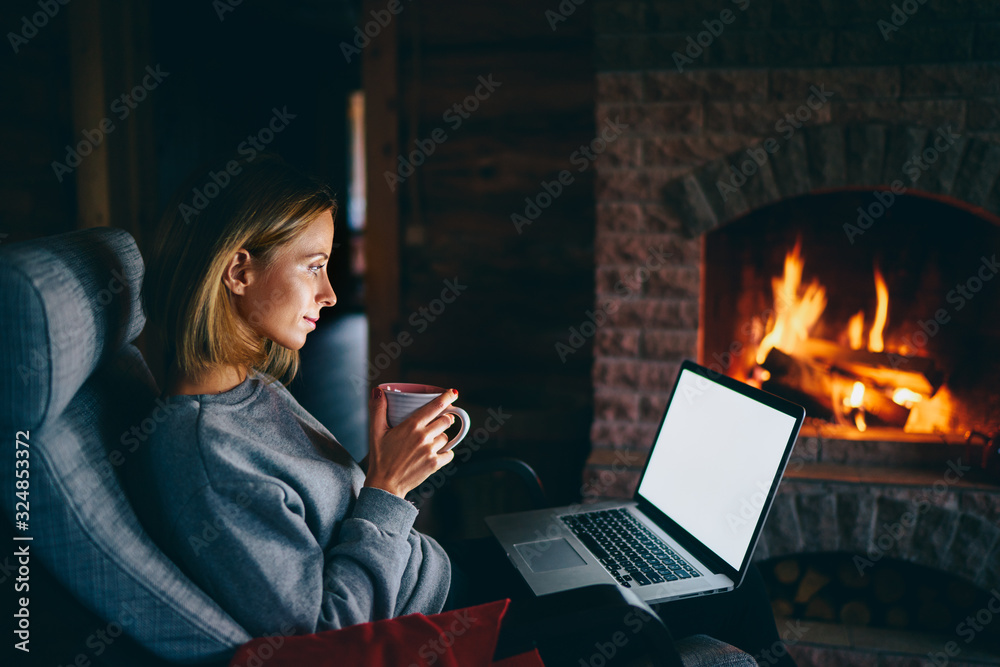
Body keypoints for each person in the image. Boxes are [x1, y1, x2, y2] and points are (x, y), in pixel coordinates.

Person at [131, 154, 795, 666]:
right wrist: (387, 486)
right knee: (682, 598)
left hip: (431, 579)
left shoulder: (248, 390)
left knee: (716, 574)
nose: (331, 292)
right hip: (433, 635)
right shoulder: (205, 450)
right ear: (239, 271)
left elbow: (311, 523)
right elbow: (325, 635)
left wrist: (381, 466)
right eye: (313, 266)